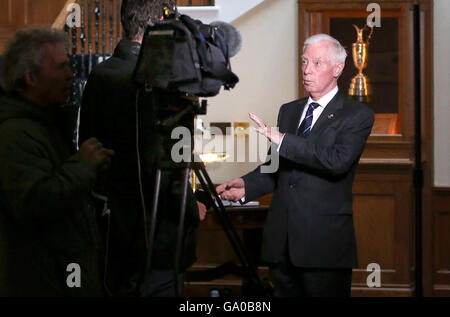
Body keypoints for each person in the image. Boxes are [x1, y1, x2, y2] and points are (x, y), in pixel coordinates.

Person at [217, 34, 375, 297]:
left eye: (316, 63)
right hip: (281, 244)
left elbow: (336, 162)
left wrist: (281, 138)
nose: (306, 70)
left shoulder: (357, 115)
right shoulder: (289, 111)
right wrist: (245, 187)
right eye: (304, 62)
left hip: (323, 246)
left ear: (337, 69)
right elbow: (275, 168)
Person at [79, 0, 206, 297]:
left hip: (112, 233)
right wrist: (191, 206)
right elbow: (170, 162)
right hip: (158, 236)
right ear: (157, 25)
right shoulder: (159, 81)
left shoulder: (101, 75)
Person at [0, 27, 114, 296]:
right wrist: (82, 166)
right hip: (42, 280)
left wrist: (88, 168)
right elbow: (33, 203)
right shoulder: (14, 134)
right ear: (30, 77)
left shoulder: (43, 124)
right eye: (61, 67)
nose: (70, 75)